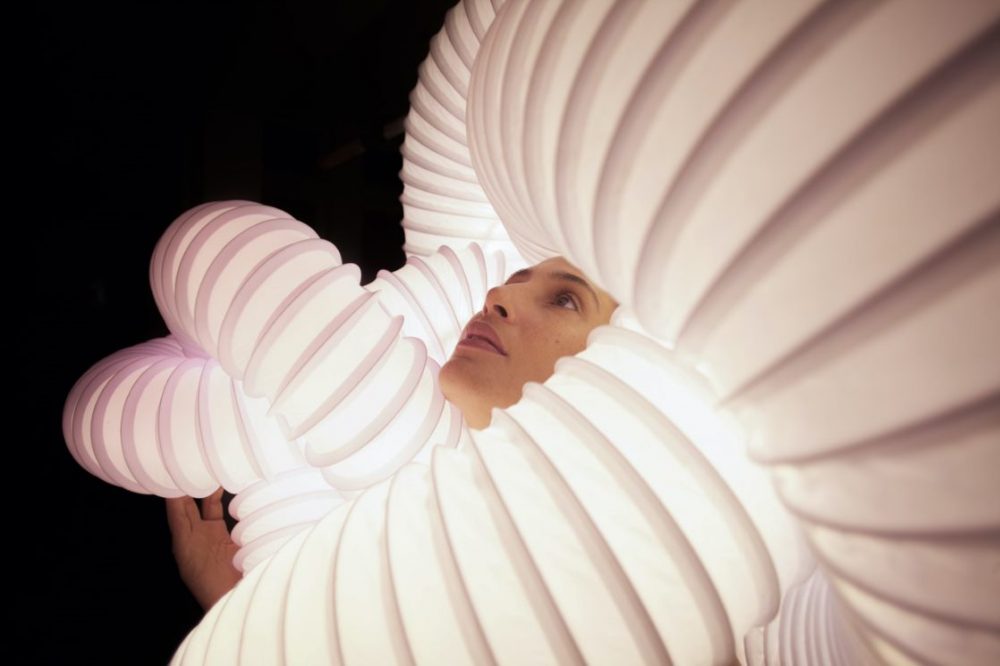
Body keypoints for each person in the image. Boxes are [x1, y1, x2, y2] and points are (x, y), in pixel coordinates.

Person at [167, 255, 617, 610]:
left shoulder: (572, 586)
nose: (497, 294)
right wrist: (231, 602)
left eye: (565, 300)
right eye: (514, 278)